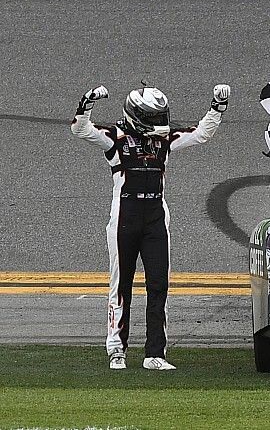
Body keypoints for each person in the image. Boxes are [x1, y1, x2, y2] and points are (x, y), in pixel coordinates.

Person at [71, 83, 230, 370]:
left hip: (156, 216)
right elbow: (81, 129)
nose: (160, 124)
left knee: (159, 285)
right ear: (137, 116)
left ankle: (155, 353)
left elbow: (201, 133)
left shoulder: (165, 139)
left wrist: (218, 106)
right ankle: (116, 348)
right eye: (154, 118)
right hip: (124, 217)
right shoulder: (115, 138)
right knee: (122, 286)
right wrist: (88, 101)